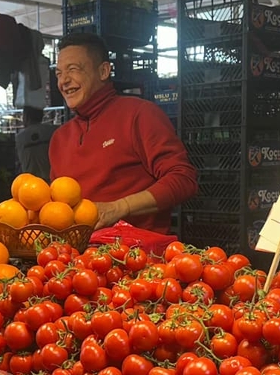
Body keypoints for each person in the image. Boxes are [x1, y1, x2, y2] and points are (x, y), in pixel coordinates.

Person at [49, 33, 196, 233]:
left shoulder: (140, 114)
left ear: (103, 71)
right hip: (73, 251)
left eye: (73, 69)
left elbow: (183, 179)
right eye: (59, 74)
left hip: (134, 249)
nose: (64, 81)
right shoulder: (60, 138)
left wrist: (120, 207)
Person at [15, 106, 57, 180]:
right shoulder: (53, 131)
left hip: (30, 182)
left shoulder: (20, 137)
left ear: (26, 117)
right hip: (54, 179)